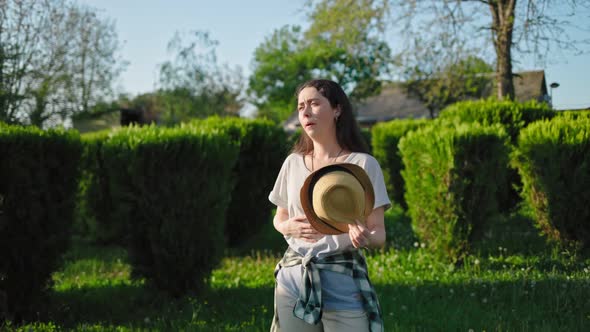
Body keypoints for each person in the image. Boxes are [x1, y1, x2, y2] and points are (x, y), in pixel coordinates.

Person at [268, 79, 391, 332]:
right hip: (294, 277)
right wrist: (287, 226)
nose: (305, 111)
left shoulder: (363, 165)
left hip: (342, 277)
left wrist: (364, 237)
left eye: (314, 103)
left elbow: (379, 234)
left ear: (337, 110)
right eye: (301, 106)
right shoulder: (292, 163)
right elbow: (278, 219)